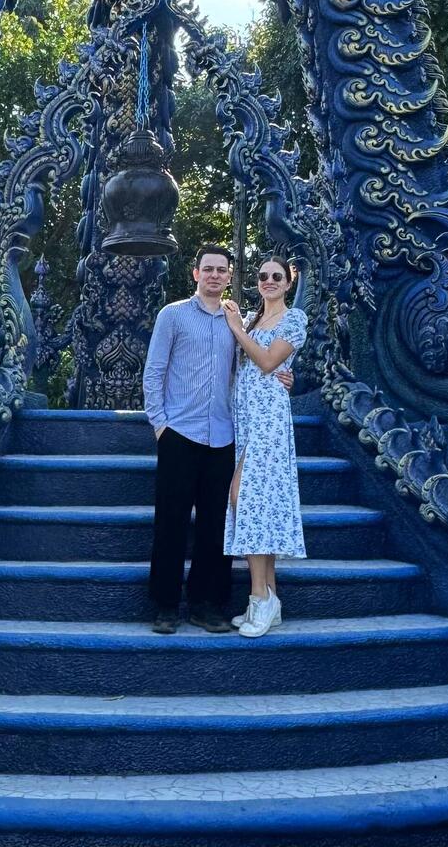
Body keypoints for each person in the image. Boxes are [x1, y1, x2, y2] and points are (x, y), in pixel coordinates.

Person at [142, 245, 294, 635]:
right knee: (171, 521)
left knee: (215, 526)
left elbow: (255, 365)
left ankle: (206, 605)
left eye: (221, 270)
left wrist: (284, 377)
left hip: (223, 436)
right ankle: (165, 606)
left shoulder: (237, 321)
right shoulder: (173, 314)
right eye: (207, 269)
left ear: (229, 276)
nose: (214, 275)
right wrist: (160, 425)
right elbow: (154, 371)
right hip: (180, 432)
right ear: (196, 274)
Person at [222, 256, 307, 639]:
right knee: (257, 502)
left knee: (245, 497)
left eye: (277, 276)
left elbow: (269, 362)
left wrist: (237, 330)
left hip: (269, 422)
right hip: (247, 419)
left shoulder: (293, 319)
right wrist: (243, 327)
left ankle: (259, 596)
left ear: (288, 283)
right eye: (263, 276)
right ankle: (269, 597)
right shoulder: (255, 320)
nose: (269, 280)